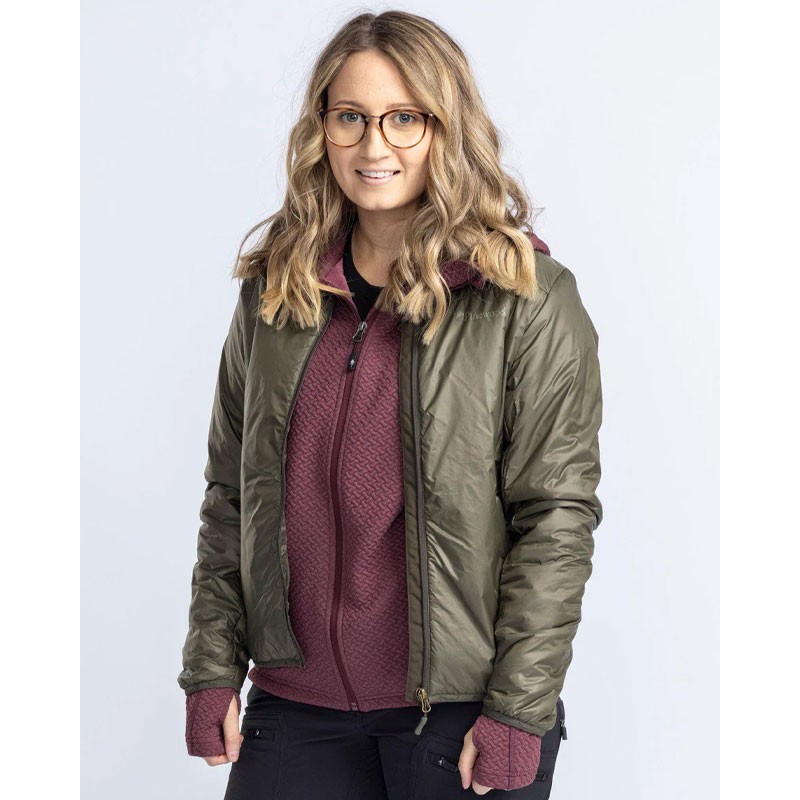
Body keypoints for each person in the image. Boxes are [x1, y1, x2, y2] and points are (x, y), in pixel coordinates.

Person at [178, 10, 603, 800]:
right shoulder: (277, 294)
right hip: (294, 708)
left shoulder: (525, 298)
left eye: (405, 118)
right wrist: (212, 667)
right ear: (322, 130)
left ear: (447, 127)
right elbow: (231, 495)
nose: (375, 146)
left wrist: (517, 709)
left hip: (459, 713)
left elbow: (555, 517)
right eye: (351, 117)